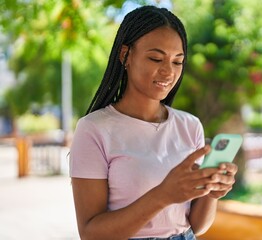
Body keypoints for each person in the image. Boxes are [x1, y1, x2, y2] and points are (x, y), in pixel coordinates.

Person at [69, 5, 238, 240]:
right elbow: (91, 233)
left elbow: (196, 226)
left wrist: (211, 193)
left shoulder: (190, 126)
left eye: (178, 62)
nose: (168, 72)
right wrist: (163, 195)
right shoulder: (94, 129)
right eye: (156, 58)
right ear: (125, 55)